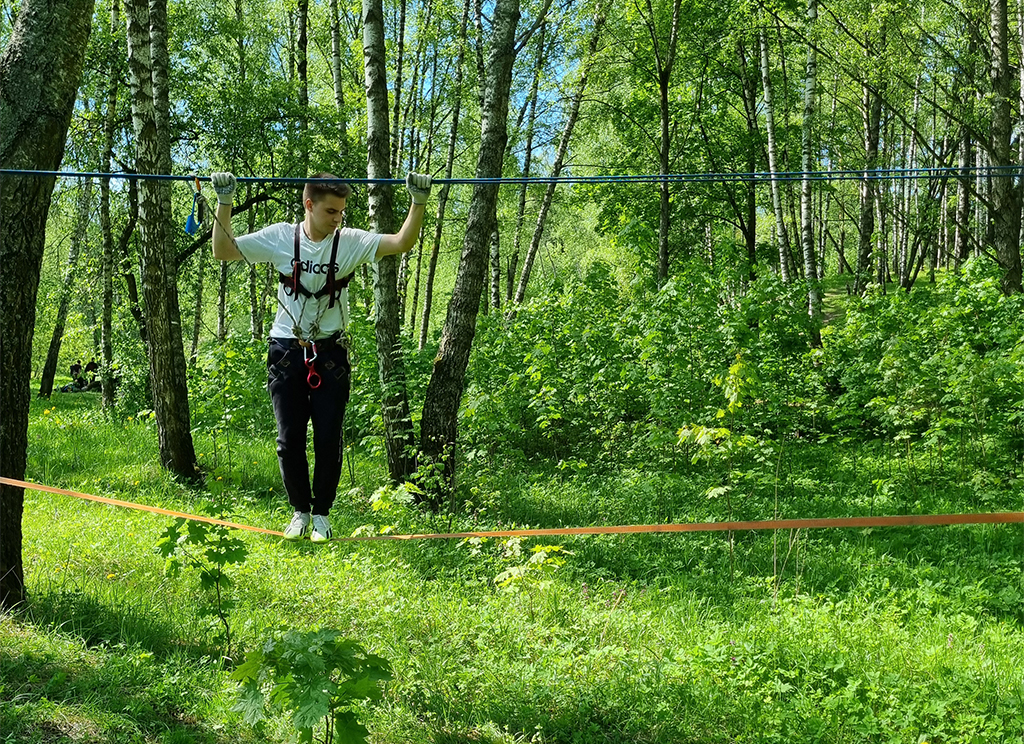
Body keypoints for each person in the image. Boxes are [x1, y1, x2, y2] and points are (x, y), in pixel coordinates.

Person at [210, 170, 432, 543]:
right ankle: (300, 512)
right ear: (309, 205)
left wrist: (418, 202)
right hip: (286, 351)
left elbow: (401, 242)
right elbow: (223, 250)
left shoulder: (349, 242)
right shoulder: (281, 237)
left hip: (330, 353)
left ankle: (322, 516)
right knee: (289, 439)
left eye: (341, 212)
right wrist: (225, 201)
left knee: (328, 438)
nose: (338, 219)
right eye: (331, 211)